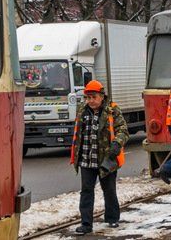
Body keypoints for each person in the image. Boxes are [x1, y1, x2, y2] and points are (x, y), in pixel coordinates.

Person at [70, 80, 128, 234]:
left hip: (106, 160)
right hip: (86, 160)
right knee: (86, 191)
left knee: (109, 189)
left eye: (93, 97)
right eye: (87, 98)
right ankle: (86, 224)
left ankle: (112, 218)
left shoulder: (112, 110)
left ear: (102, 96)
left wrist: (116, 144)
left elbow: (123, 130)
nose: (90, 101)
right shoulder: (82, 110)